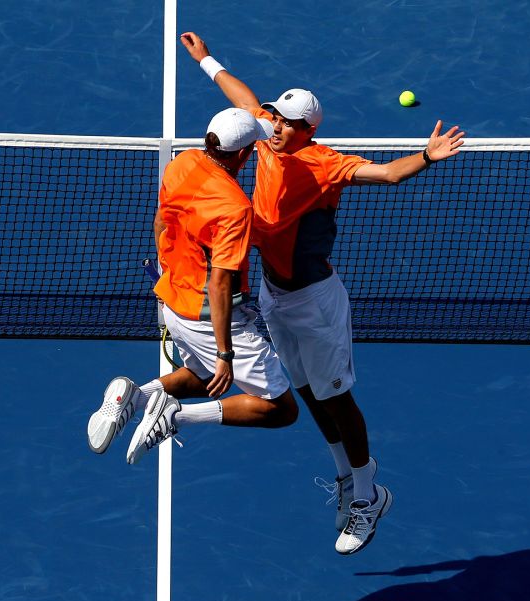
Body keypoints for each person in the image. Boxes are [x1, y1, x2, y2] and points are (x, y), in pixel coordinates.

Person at [179, 31, 465, 556]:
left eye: (288, 123)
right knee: (309, 392)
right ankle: (344, 477)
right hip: (273, 296)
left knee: (336, 396)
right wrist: (205, 60)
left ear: (308, 129)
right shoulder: (265, 134)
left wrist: (425, 155)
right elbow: (239, 99)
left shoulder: (326, 164)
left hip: (315, 303)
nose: (277, 127)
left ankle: (369, 493)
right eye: (276, 119)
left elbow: (387, 174)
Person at [87, 107, 299, 466]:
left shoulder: (182, 163)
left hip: (173, 300)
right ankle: (175, 416)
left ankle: (133, 398)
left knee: (202, 380)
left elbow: (160, 222)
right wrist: (225, 354)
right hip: (209, 316)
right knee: (280, 408)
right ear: (244, 154)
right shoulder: (234, 209)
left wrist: (169, 269)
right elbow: (219, 283)